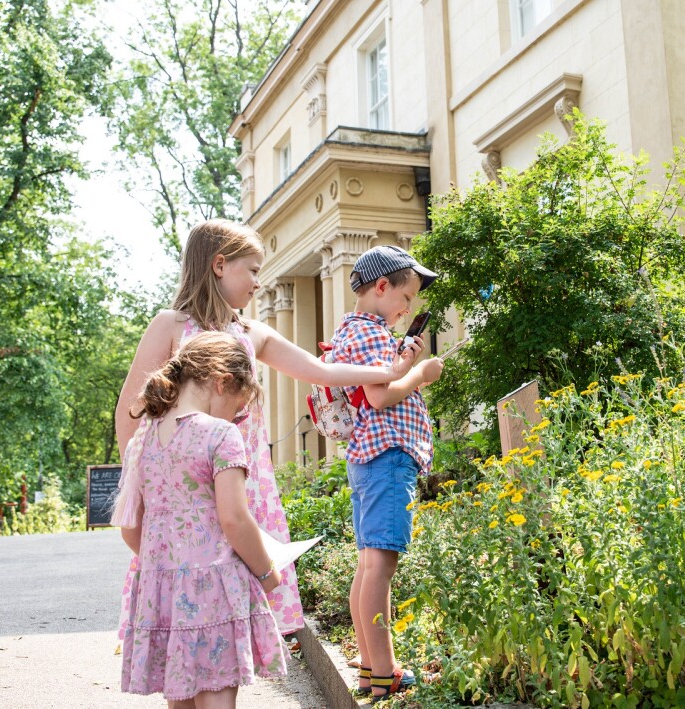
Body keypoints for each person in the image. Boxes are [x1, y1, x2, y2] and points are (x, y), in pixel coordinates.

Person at [115, 219, 418, 646]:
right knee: (188, 604)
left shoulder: (251, 333)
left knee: (235, 603)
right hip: (182, 489)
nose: (260, 282)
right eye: (253, 269)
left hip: (243, 482)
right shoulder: (171, 325)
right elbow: (131, 411)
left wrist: (391, 371)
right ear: (220, 265)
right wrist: (141, 484)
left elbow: (322, 371)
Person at [111, 331, 287, 708]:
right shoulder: (221, 435)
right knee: (217, 695)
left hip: (164, 591)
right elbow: (235, 519)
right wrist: (266, 572)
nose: (236, 418)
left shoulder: (146, 438)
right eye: (238, 408)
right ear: (223, 381)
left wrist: (169, 565)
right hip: (214, 587)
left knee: (180, 697)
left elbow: (130, 528)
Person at [329, 245, 444, 703]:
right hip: (387, 455)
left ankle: (371, 669)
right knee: (381, 565)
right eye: (407, 297)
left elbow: (376, 381)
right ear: (382, 287)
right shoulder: (372, 333)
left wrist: (403, 361)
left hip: (369, 458)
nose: (409, 308)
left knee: (368, 564)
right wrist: (420, 375)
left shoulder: (355, 330)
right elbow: (379, 397)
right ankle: (385, 673)